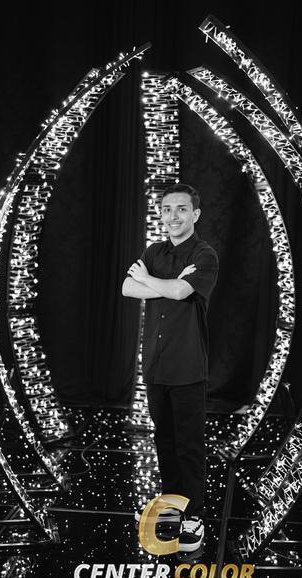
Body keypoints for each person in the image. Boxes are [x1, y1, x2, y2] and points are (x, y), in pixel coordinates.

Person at [122, 183, 218, 552]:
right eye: (166, 209)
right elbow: (127, 289)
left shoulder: (205, 255)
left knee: (189, 444)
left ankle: (195, 515)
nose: (173, 216)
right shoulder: (154, 251)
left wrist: (149, 280)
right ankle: (173, 504)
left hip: (187, 364)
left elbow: (180, 293)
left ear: (195, 214)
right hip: (156, 363)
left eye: (181, 209)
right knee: (163, 439)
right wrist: (167, 283)